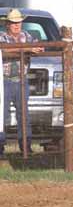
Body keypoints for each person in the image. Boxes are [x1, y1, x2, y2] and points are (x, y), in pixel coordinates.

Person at [0, 8, 43, 155]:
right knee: (2, 116)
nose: (16, 25)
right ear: (7, 24)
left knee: (24, 115)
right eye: (13, 23)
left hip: (21, 81)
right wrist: (26, 50)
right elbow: (3, 50)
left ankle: (26, 146)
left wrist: (35, 48)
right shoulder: (2, 37)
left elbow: (39, 46)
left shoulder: (27, 36)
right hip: (3, 81)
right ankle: (0, 146)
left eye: (18, 22)